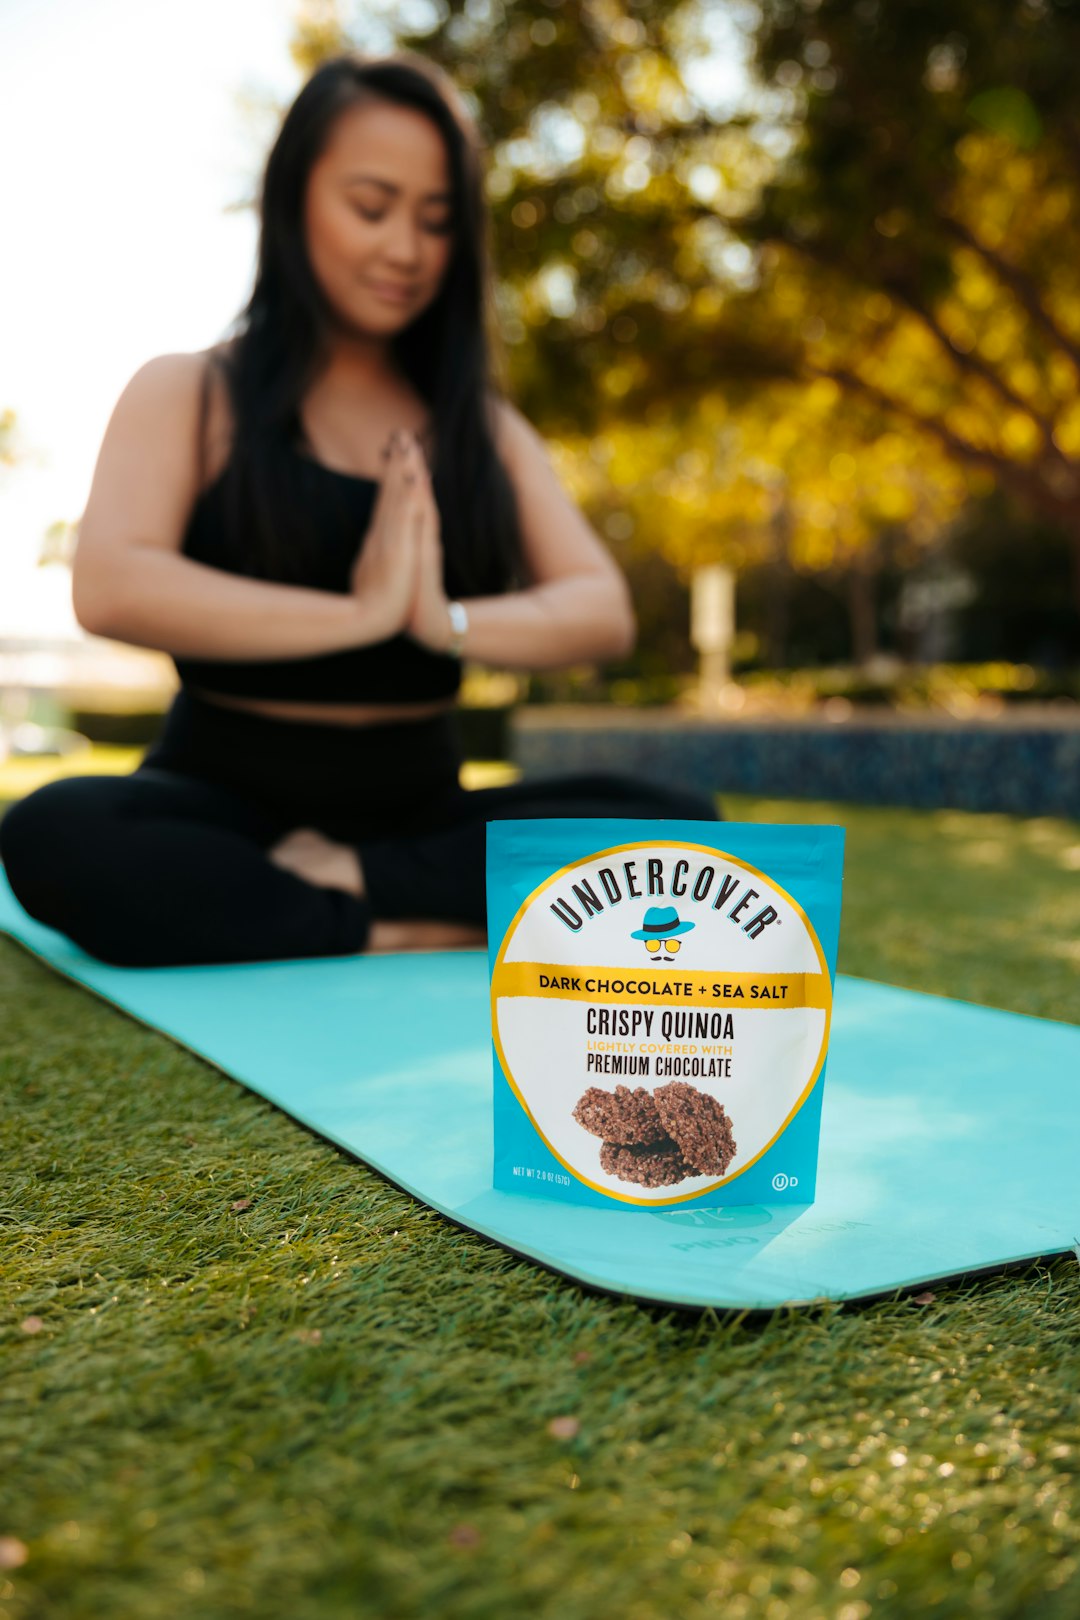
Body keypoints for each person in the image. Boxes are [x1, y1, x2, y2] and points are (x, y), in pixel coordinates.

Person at [0, 50, 720, 969]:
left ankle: (347, 887)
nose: (406, 251)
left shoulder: (483, 428)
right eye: (372, 207)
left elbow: (598, 609)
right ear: (294, 198)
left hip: (415, 809)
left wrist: (439, 619)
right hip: (221, 801)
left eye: (435, 220)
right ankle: (406, 920)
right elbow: (111, 585)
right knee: (56, 833)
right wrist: (359, 616)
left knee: (681, 829)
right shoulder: (191, 391)